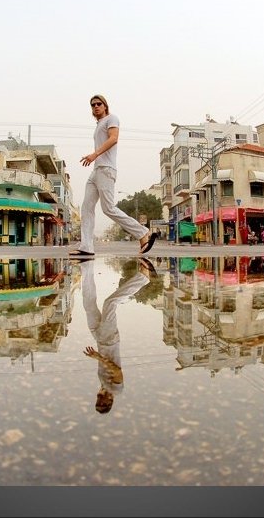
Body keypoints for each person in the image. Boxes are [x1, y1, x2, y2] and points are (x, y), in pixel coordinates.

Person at [70, 94, 157, 258]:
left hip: (106, 169)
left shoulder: (112, 119)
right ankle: (86, 246)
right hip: (96, 171)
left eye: (98, 103)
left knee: (108, 208)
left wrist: (94, 155)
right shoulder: (98, 125)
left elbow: (114, 139)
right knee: (86, 208)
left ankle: (143, 233)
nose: (95, 106)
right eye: (93, 105)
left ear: (105, 105)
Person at [80, 257, 154, 414]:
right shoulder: (116, 390)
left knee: (88, 304)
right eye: (101, 403)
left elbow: (106, 373)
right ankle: (143, 279)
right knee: (110, 303)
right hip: (109, 340)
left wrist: (101, 389)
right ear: (109, 403)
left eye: (97, 403)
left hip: (100, 339)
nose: (98, 400)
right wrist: (97, 357)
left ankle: (86, 270)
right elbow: (117, 371)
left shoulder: (103, 387)